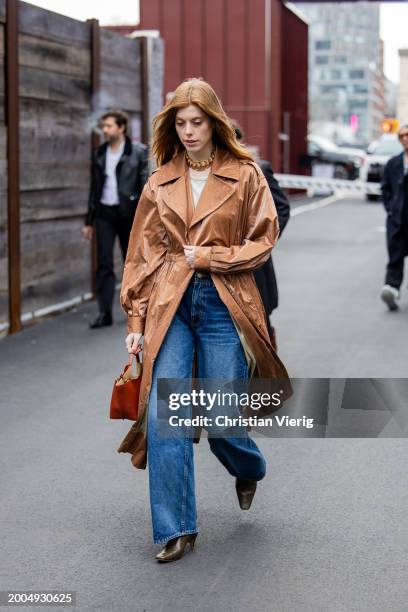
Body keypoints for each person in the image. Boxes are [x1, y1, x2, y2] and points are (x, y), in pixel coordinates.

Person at [118, 78, 291, 563]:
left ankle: (249, 466)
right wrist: (135, 320)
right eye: (180, 122)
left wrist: (213, 257)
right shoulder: (159, 180)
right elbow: (141, 256)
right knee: (165, 415)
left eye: (197, 122)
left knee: (220, 418)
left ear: (214, 123)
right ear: (171, 126)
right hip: (170, 305)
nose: (189, 131)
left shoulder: (246, 174)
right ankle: (176, 528)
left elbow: (264, 238)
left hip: (224, 301)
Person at [82, 109, 148, 329]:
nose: (105, 130)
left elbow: (144, 187)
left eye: (109, 126)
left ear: (121, 127)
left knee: (132, 263)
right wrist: (89, 221)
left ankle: (136, 311)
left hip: (128, 214)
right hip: (104, 214)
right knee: (104, 263)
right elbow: (94, 188)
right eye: (104, 126)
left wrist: (143, 217)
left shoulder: (138, 152)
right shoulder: (99, 153)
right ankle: (104, 312)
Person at [233, 122, 290, 350]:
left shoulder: (259, 168)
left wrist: (263, 241)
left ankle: (267, 366)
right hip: (223, 262)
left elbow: (282, 208)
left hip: (255, 261)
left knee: (259, 320)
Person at [380, 124, 408, 311]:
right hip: (397, 220)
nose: (405, 138)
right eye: (402, 135)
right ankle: (391, 289)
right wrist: (391, 209)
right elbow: (385, 189)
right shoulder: (393, 163)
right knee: (395, 256)